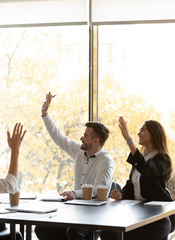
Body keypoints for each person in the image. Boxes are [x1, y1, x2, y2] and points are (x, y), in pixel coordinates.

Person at [35, 92, 115, 240]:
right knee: (41, 229)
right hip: (75, 210)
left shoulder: (106, 160)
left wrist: (75, 193)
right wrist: (45, 114)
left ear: (96, 141)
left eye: (85, 136)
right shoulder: (79, 150)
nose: (81, 138)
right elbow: (59, 138)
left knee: (73, 233)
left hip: (95, 215)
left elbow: (99, 190)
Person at [100, 117, 174, 240]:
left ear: (154, 134)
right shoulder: (141, 158)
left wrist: (129, 140)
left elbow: (146, 169)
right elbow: (131, 185)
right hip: (136, 215)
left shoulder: (162, 159)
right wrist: (121, 195)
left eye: (143, 130)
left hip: (156, 219)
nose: (139, 133)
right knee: (107, 234)